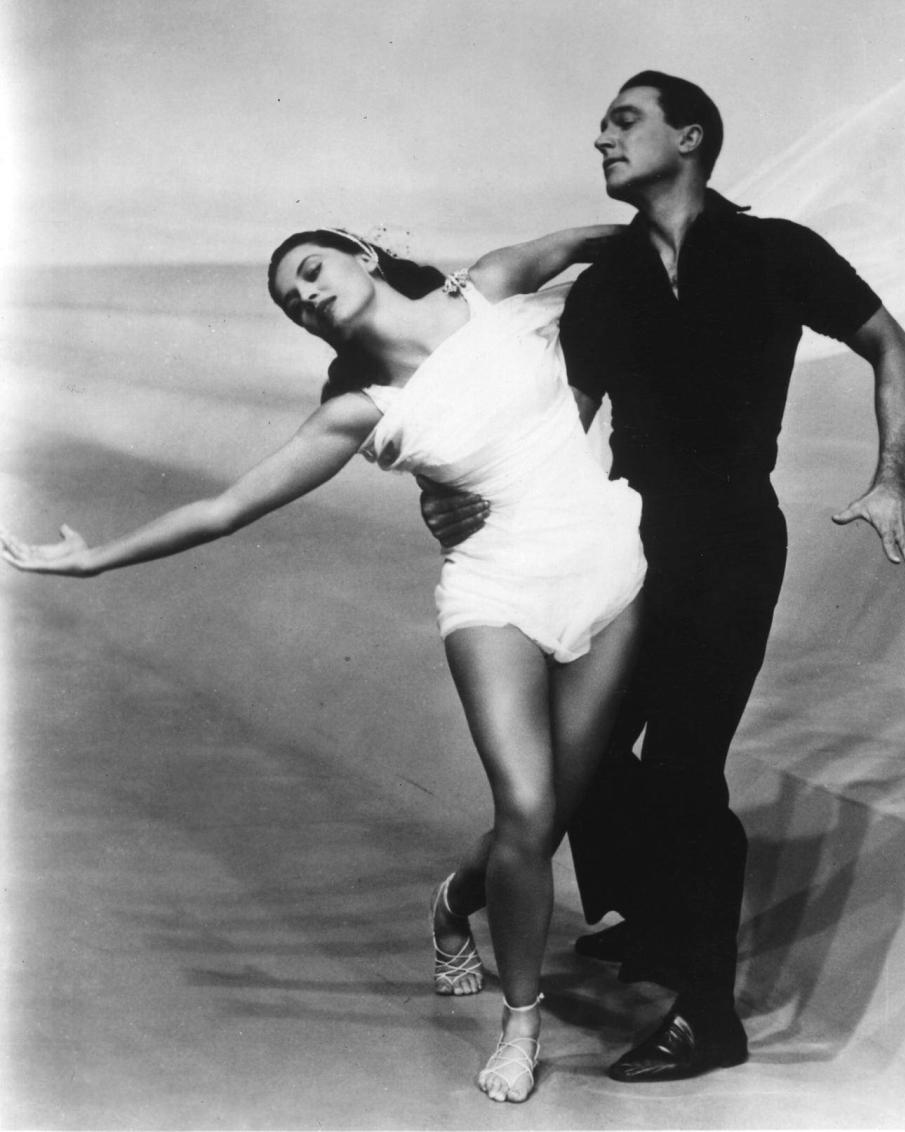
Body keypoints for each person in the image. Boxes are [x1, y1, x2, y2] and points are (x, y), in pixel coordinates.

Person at [1, 225, 647, 1104]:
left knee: (549, 816)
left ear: (365, 257)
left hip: (609, 566)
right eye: (292, 303)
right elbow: (226, 507)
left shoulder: (493, 286)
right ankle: (522, 1026)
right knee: (527, 809)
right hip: (495, 589)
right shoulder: (362, 409)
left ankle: (455, 903)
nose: (306, 297)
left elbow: (628, 236)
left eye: (311, 271)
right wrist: (92, 559)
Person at [420, 71, 905, 1083]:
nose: (601, 138)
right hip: (616, 542)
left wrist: (892, 476)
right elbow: (555, 427)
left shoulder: (776, 251)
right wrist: (462, 500)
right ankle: (654, 922)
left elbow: (888, 344)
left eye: (625, 121)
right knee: (591, 761)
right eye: (604, 125)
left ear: (690, 136)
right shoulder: (606, 285)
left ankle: (709, 1015)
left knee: (684, 772)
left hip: (730, 540)